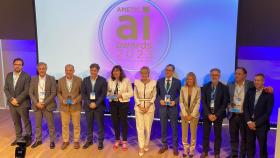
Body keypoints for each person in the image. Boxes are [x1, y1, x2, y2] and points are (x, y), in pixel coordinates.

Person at [227, 67, 273, 158]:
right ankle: (235, 154)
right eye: (236, 73)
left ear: (245, 75)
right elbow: (228, 100)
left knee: (253, 143)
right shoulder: (230, 85)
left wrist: (270, 88)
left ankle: (242, 155)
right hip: (237, 116)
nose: (236, 75)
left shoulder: (251, 85)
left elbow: (267, 111)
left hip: (250, 119)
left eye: (239, 73)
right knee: (239, 140)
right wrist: (229, 106)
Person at [244, 73, 274, 158]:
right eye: (255, 80)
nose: (256, 82)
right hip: (249, 125)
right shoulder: (250, 91)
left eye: (259, 80)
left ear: (263, 81)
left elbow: (268, 112)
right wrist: (249, 122)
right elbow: (245, 107)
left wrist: (256, 124)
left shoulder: (268, 94)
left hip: (262, 126)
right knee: (249, 147)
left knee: (262, 148)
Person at [4, 58, 32, 146]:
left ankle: (28, 138)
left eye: (19, 64)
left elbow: (27, 90)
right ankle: (18, 138)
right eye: (16, 64)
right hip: (12, 104)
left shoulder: (26, 76)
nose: (17, 66)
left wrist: (17, 100)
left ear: (22, 66)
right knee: (16, 122)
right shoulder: (9, 75)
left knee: (26, 121)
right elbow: (6, 89)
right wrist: (11, 100)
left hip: (23, 104)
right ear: (13, 65)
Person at [201, 68, 228, 158]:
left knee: (218, 135)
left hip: (218, 116)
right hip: (207, 115)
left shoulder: (224, 88)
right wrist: (209, 114)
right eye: (213, 75)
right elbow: (203, 102)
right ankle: (205, 151)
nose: (214, 76)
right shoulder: (205, 87)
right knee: (206, 134)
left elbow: (224, 103)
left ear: (219, 76)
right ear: (210, 76)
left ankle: (217, 153)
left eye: (216, 75)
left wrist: (216, 115)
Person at [29, 62, 57, 149]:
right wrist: (37, 103)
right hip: (37, 106)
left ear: (46, 69)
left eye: (43, 68)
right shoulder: (33, 79)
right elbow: (30, 92)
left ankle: (52, 141)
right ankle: (38, 140)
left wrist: (44, 103)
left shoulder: (51, 78)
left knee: (51, 125)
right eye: (40, 69)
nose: (41, 70)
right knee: (37, 125)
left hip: (47, 105)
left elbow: (53, 93)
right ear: (38, 69)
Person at [156, 64, 181, 156]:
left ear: (173, 72)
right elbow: (157, 94)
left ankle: (175, 147)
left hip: (173, 108)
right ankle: (164, 145)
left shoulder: (177, 82)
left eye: (170, 70)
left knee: (174, 128)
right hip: (162, 108)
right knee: (163, 127)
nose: (167, 72)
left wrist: (175, 101)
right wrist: (160, 100)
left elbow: (180, 94)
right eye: (166, 70)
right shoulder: (160, 81)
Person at [82, 63, 107, 150]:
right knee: (89, 124)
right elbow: (83, 94)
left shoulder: (103, 80)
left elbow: (103, 94)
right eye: (91, 70)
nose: (93, 72)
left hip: (99, 106)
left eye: (95, 70)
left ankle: (100, 142)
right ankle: (89, 141)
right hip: (88, 106)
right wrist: (89, 103)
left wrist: (96, 103)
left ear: (98, 71)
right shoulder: (85, 80)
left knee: (100, 125)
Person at [107, 65, 133, 151]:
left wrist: (121, 95)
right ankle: (117, 140)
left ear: (120, 72)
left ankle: (124, 141)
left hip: (123, 104)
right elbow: (107, 93)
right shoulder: (109, 81)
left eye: (117, 71)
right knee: (115, 122)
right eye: (114, 71)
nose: (115, 72)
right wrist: (110, 96)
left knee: (123, 122)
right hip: (113, 104)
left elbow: (131, 93)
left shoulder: (126, 80)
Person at [57, 64, 82, 150]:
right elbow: (58, 93)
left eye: (70, 70)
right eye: (67, 70)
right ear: (65, 71)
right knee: (64, 125)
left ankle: (76, 141)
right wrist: (61, 100)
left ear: (73, 71)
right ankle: (66, 141)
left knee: (76, 125)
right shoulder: (60, 80)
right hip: (64, 107)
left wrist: (77, 100)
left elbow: (82, 93)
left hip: (76, 106)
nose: (68, 72)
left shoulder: (79, 80)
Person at [134, 66, 156, 156]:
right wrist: (139, 105)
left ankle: (146, 144)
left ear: (148, 73)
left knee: (147, 128)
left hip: (149, 108)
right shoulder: (137, 82)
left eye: (145, 73)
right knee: (140, 128)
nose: (143, 74)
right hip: (138, 108)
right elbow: (135, 95)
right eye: (142, 73)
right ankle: (141, 146)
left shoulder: (153, 83)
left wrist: (147, 106)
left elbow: (154, 96)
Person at [179, 72, 201, 158]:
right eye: (188, 79)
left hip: (194, 115)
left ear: (194, 79)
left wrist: (192, 115)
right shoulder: (182, 88)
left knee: (193, 133)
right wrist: (185, 114)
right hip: (184, 114)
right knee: (184, 133)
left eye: (191, 79)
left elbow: (198, 103)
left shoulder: (198, 89)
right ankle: (185, 149)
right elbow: (181, 101)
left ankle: (191, 150)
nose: (189, 80)